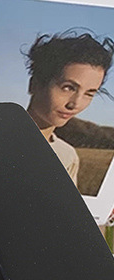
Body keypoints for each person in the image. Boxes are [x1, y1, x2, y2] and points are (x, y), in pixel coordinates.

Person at [25, 31, 114, 185]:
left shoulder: (67, 156)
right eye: (68, 88)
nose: (75, 104)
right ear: (35, 84)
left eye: (89, 93)